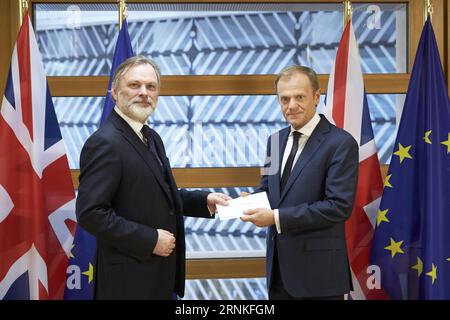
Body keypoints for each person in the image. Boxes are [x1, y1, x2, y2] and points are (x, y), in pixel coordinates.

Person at [76, 56, 230, 300]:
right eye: (134, 85)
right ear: (114, 92)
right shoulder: (104, 142)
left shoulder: (151, 137)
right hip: (128, 284)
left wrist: (205, 201)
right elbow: (90, 213)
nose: (144, 93)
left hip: (159, 278)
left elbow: (159, 194)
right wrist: (149, 239)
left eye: (151, 87)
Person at [241, 65, 358, 300]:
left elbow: (338, 206)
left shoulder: (341, 143)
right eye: (284, 99)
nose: (291, 105)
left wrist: (275, 217)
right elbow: (268, 189)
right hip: (279, 276)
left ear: (316, 97)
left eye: (299, 97)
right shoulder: (275, 142)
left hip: (319, 279)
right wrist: (250, 202)